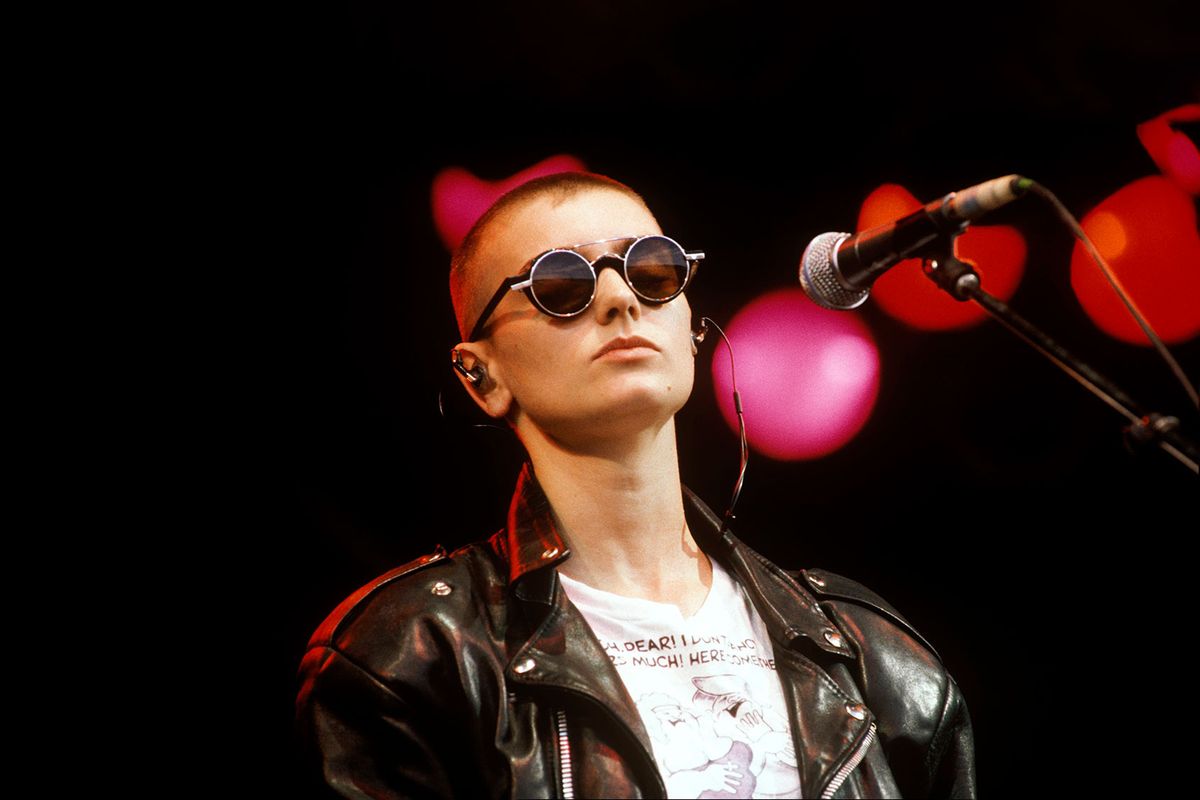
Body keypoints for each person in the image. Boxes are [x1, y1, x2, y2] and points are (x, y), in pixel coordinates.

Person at [295, 171, 977, 798]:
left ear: (692, 331)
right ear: (482, 376)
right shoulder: (412, 655)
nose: (621, 298)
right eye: (560, 284)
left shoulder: (872, 653)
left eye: (653, 270)